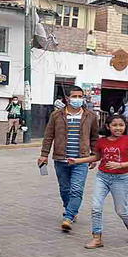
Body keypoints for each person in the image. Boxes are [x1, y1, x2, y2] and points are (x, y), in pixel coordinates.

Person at [38, 85, 99, 232]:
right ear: (67, 98)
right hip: (61, 159)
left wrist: (94, 156)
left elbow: (94, 138)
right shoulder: (56, 115)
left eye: (80, 96)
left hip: (81, 160)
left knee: (76, 190)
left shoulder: (90, 116)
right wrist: (44, 155)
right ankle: (70, 208)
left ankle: (69, 217)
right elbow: (48, 136)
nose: (77, 99)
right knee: (65, 189)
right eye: (74, 96)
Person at [67, 114, 128, 249]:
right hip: (102, 177)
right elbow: (96, 157)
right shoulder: (102, 142)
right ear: (108, 126)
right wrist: (77, 161)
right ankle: (97, 237)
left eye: (121, 125)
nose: (118, 128)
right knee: (96, 207)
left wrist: (121, 165)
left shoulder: (127, 140)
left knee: (122, 211)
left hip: (121, 179)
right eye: (114, 125)